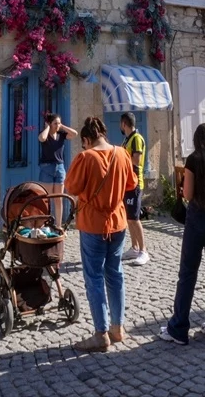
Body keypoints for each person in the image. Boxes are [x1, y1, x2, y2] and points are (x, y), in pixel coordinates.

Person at [64, 117, 137, 352]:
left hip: (93, 224)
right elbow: (131, 184)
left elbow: (71, 188)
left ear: (86, 139)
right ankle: (118, 328)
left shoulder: (85, 158)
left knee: (94, 277)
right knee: (115, 274)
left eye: (84, 143)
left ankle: (101, 333)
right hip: (117, 222)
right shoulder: (121, 153)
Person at [159, 123, 205, 345]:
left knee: (188, 274)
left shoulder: (194, 159)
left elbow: (188, 193)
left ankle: (179, 328)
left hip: (198, 219)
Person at [119, 113, 149, 266]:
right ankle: (135, 247)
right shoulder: (128, 139)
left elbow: (136, 160)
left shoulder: (136, 139)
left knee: (135, 218)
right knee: (129, 218)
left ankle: (144, 250)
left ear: (124, 124)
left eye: (121, 124)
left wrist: (120, 158)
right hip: (127, 183)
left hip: (135, 183)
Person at [38, 113, 77, 222]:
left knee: (58, 199)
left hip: (59, 168)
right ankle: (46, 224)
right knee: (47, 199)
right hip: (47, 169)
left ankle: (58, 225)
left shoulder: (62, 135)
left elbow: (74, 134)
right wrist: (47, 128)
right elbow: (42, 138)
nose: (57, 126)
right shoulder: (44, 134)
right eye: (55, 123)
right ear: (49, 124)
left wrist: (62, 126)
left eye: (58, 123)